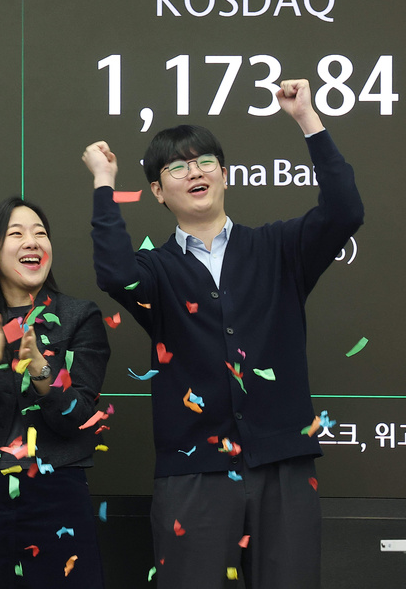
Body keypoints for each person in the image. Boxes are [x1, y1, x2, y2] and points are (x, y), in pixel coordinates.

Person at [81, 79, 364, 589]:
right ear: (157, 191)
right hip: (193, 472)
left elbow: (345, 211)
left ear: (226, 175)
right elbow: (113, 270)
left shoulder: (278, 248)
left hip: (284, 464)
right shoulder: (157, 271)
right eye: (177, 166)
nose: (194, 172)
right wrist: (104, 180)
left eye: (205, 161)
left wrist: (307, 119)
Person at [0, 197, 110, 587]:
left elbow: (79, 419)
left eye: (41, 234)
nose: (32, 242)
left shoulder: (79, 317)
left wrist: (42, 373)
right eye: (16, 234)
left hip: (58, 493)